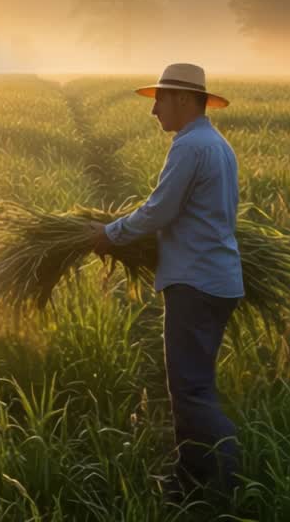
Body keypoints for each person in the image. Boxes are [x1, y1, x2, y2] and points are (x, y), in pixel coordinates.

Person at [88, 62, 243, 501]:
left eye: (159, 99)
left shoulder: (190, 147)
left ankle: (228, 482)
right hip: (216, 279)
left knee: (190, 390)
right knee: (191, 385)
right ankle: (188, 480)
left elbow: (160, 210)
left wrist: (110, 234)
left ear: (181, 99)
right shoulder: (215, 144)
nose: (154, 110)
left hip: (196, 282)